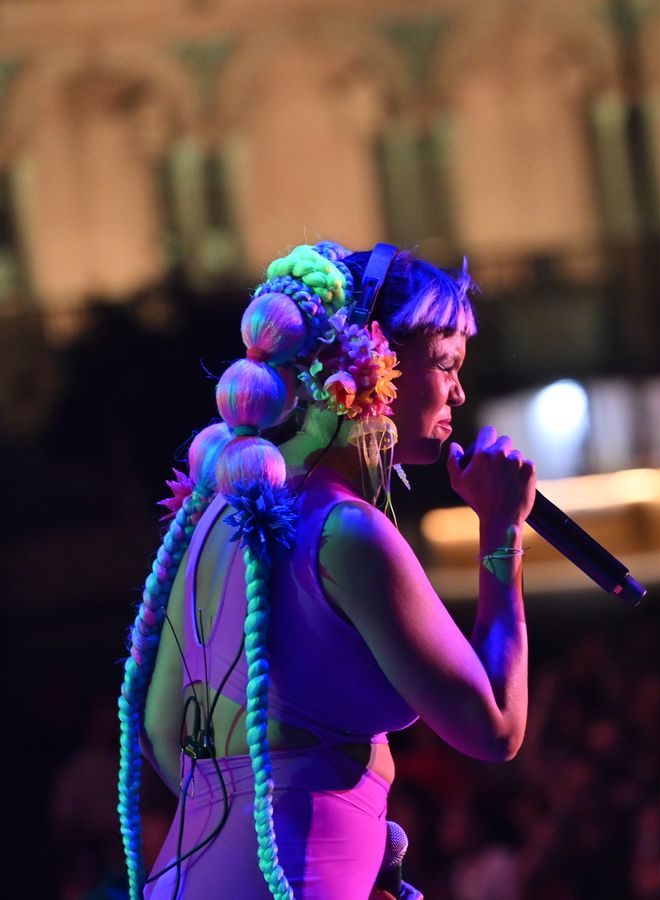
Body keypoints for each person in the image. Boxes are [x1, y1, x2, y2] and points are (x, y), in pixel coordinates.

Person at [115, 242, 538, 898]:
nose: (458, 390)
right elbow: (495, 727)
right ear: (376, 359)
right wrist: (502, 530)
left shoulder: (212, 512)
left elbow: (161, 730)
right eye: (446, 363)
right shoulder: (348, 532)